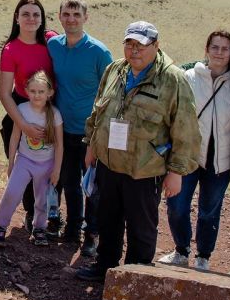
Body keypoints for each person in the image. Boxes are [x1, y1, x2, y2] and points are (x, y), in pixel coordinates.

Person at [75, 21, 201, 282]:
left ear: (156, 46)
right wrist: (91, 145)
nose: (134, 51)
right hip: (110, 164)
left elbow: (185, 129)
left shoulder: (172, 79)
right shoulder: (115, 70)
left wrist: (176, 171)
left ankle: (136, 279)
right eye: (129, 44)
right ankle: (105, 269)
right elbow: (98, 111)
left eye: (141, 46)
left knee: (141, 229)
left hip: (145, 169)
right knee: (108, 221)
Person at [157, 30, 230, 271]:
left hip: (221, 160)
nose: (219, 53)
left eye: (224, 48)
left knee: (209, 210)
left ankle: (203, 256)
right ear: (207, 49)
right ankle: (181, 250)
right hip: (188, 156)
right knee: (177, 205)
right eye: (215, 47)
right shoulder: (189, 77)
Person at [47, 0, 114, 256]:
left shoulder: (98, 51)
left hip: (90, 132)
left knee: (92, 185)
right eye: (66, 14)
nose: (71, 19)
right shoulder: (53, 46)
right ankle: (72, 230)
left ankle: (92, 235)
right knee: (69, 181)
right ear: (60, 16)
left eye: (76, 14)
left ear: (86, 17)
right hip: (62, 130)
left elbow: (111, 92)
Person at [0, 0, 57, 235]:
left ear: (42, 19)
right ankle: (30, 211)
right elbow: (4, 94)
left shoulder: (51, 41)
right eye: (26, 14)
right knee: (25, 166)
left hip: (50, 110)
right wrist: (22, 125)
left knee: (49, 164)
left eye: (36, 14)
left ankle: (50, 214)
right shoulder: (11, 49)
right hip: (21, 108)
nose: (31, 19)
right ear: (17, 17)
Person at [0, 71, 63, 247]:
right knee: (12, 192)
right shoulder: (22, 110)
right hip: (24, 160)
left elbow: (60, 145)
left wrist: (57, 169)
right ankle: (0, 226)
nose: (36, 95)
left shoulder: (54, 114)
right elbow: (15, 137)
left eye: (41, 91)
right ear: (26, 91)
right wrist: (11, 163)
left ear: (50, 93)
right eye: (32, 91)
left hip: (46, 164)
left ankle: (39, 228)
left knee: (42, 199)